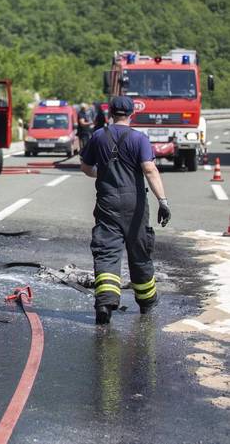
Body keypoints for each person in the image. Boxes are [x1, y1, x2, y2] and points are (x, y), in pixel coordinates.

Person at [80, 96, 170, 325]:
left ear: (110, 112)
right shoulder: (139, 139)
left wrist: (100, 174)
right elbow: (149, 169)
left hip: (107, 202)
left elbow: (86, 167)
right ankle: (147, 303)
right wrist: (163, 201)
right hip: (135, 205)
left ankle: (105, 303)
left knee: (107, 251)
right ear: (132, 114)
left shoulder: (98, 136)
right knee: (139, 252)